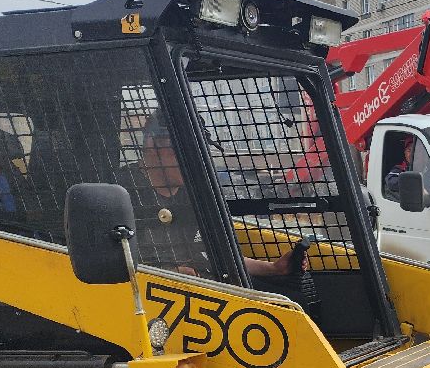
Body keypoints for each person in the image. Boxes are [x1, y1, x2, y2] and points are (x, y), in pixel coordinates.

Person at [129, 115, 306, 279]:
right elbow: (112, 267)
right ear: (151, 145)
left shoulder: (195, 195)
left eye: (198, 150)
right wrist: (171, 274)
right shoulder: (123, 193)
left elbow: (218, 258)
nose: (192, 159)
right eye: (180, 150)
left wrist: (274, 268)